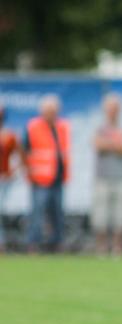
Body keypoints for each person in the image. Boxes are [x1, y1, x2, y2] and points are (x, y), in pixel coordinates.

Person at [23, 95, 70, 253]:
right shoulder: (33, 127)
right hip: (40, 179)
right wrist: (29, 172)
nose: (52, 114)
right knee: (37, 213)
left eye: (54, 111)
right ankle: (33, 244)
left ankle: (56, 245)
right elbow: (24, 151)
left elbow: (63, 152)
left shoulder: (62, 126)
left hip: (58, 178)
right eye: (49, 111)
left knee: (57, 214)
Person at [92, 93, 122, 255]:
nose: (113, 112)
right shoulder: (99, 128)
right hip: (102, 177)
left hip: (119, 177)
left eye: (115, 109)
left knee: (120, 215)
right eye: (110, 109)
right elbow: (98, 145)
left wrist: (109, 144)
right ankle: (101, 248)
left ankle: (117, 248)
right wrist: (116, 144)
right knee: (100, 215)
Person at [0, 104, 26, 252]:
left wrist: (12, 172)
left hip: (3, 179)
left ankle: (1, 243)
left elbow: (21, 155)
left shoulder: (8, 135)